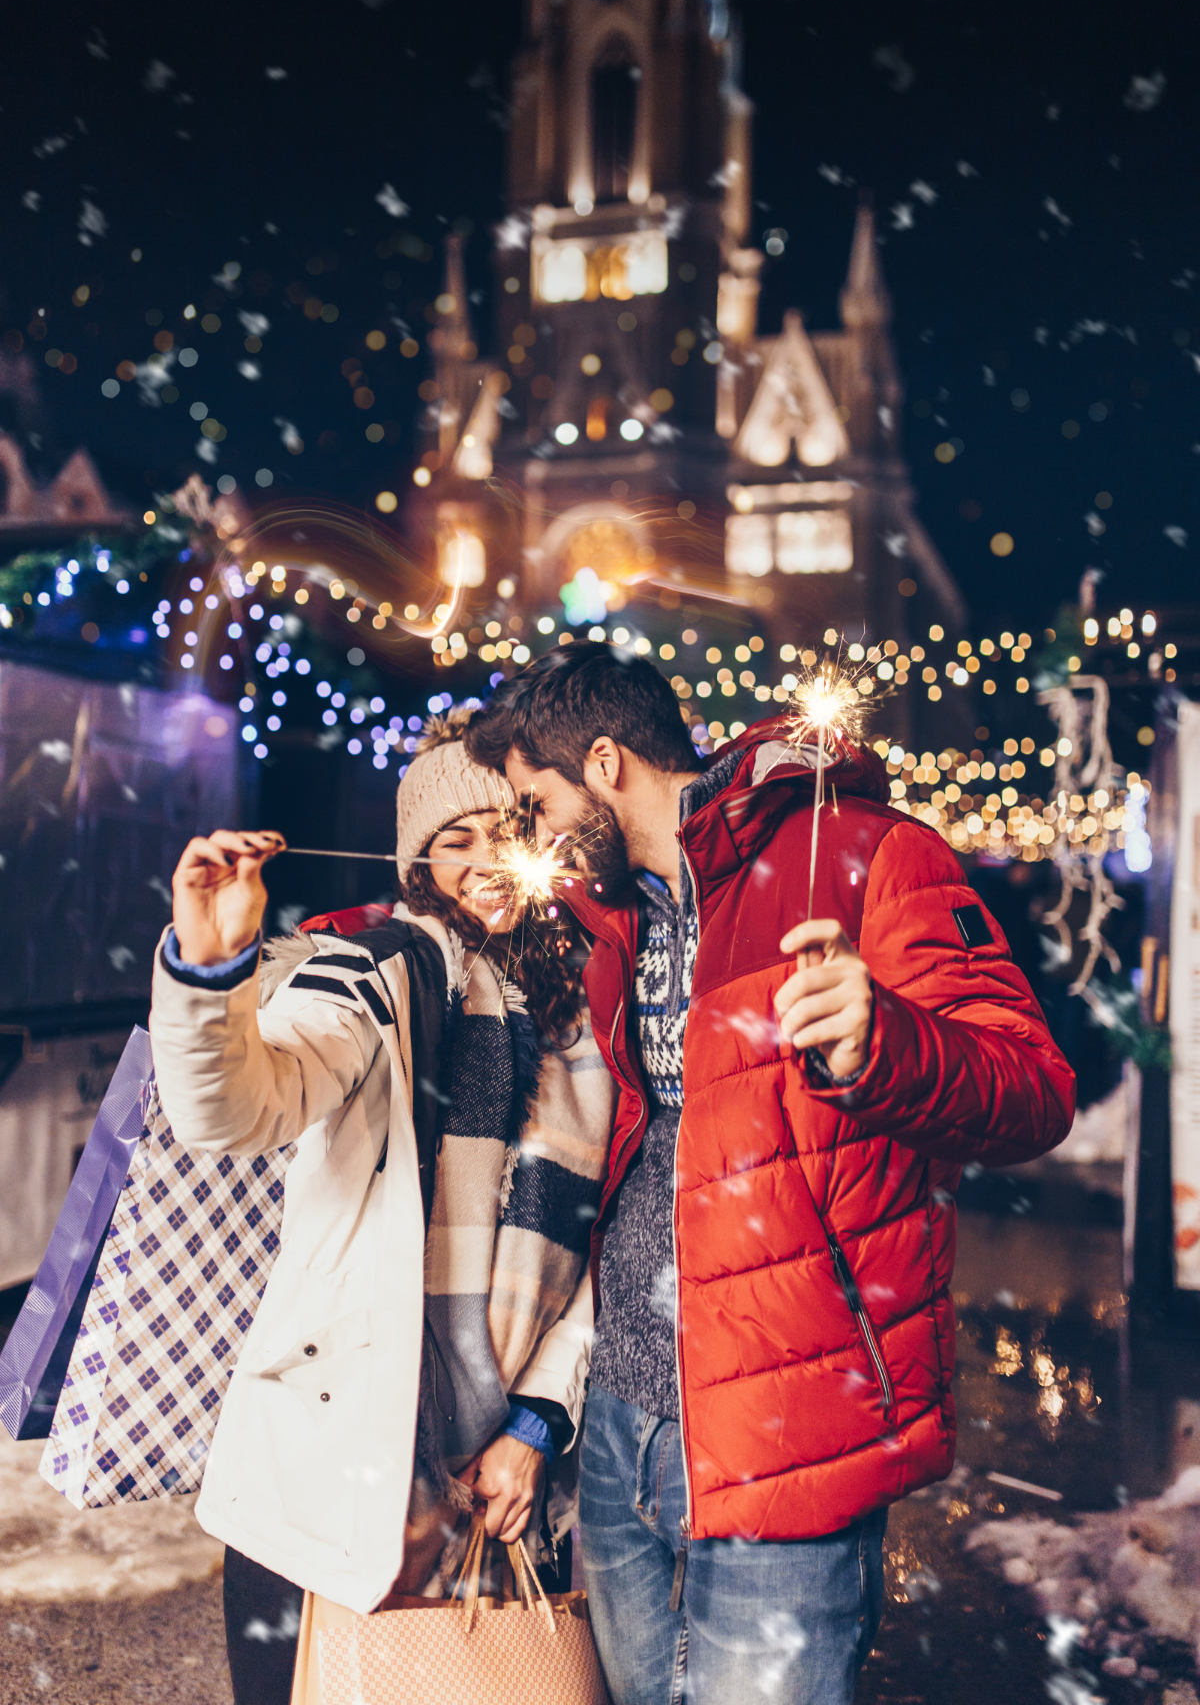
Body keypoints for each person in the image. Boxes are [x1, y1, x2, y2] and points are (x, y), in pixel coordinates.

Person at [464, 641, 1076, 1705]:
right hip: (620, 1424)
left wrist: (883, 1042)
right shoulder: (612, 922)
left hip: (788, 1435)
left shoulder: (865, 854)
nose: (537, 835)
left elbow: (1033, 1090)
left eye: (536, 800)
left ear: (605, 763)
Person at [149, 712, 615, 1705]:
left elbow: (606, 1238)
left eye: (509, 829)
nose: (488, 858)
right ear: (415, 862)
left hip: (504, 1485)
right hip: (342, 1457)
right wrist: (208, 974)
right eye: (458, 838)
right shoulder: (376, 970)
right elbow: (235, 1107)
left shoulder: (585, 1014)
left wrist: (537, 1420)